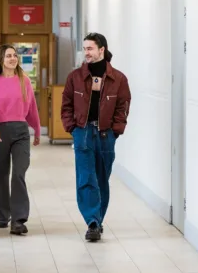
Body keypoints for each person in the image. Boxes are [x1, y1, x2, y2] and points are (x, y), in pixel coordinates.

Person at [61, 33, 131, 242]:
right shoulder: (75, 77)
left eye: (90, 48)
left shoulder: (118, 78)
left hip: (105, 135)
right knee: (85, 178)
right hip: (83, 132)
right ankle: (91, 221)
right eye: (85, 48)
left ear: (102, 50)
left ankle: (98, 220)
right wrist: (73, 129)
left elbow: (123, 106)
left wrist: (115, 131)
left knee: (101, 179)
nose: (86, 53)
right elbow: (66, 105)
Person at [0, 44, 41, 235]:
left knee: (19, 173)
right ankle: (3, 215)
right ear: (1, 60)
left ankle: (19, 220)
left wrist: (37, 130)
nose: (13, 58)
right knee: (0, 174)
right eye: (8, 56)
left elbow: (32, 109)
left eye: (15, 55)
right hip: (0, 132)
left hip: (21, 131)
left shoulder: (25, 81)